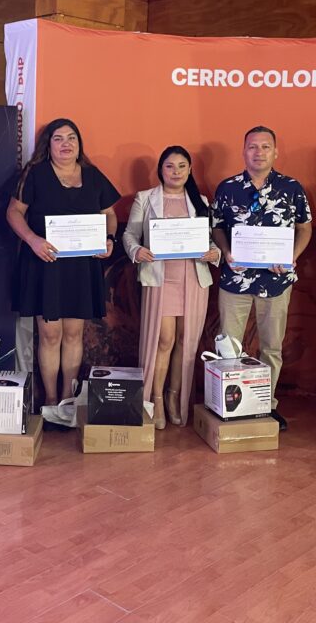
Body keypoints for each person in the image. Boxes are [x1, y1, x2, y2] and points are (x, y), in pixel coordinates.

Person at [7, 118, 120, 410]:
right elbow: (14, 212)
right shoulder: (35, 173)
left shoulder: (93, 175)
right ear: (48, 145)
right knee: (50, 334)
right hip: (46, 263)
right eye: (58, 138)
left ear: (79, 144)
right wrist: (32, 240)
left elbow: (109, 213)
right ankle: (50, 399)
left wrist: (109, 239)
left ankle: (67, 399)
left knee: (73, 333)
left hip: (81, 266)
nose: (66, 144)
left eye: (72, 138)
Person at [211, 126, 312, 431]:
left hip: (276, 280)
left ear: (275, 152)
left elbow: (304, 227)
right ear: (244, 151)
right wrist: (226, 251)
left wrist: (292, 255)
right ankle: (228, 404)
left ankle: (266, 404)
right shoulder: (228, 187)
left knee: (271, 347)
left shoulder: (291, 188)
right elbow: (217, 226)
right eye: (253, 147)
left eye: (265, 147)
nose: (259, 152)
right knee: (229, 345)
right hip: (236, 279)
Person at [123, 146, 220, 429]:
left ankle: (174, 396)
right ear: (160, 170)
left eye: (181, 166)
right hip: (161, 278)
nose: (176, 171)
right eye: (169, 166)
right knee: (163, 340)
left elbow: (210, 240)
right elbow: (130, 234)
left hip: (193, 278)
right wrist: (137, 250)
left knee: (185, 341)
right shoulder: (145, 199)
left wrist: (214, 252)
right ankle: (155, 398)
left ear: (190, 170)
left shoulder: (201, 201)